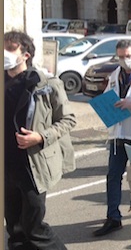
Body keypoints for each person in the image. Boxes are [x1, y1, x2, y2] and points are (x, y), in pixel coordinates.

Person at [4, 30, 76, 250]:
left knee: (34, 227)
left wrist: (40, 137)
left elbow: (68, 120)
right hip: (7, 167)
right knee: (14, 229)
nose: (4, 53)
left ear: (25, 54)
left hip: (32, 166)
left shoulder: (46, 84)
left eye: (10, 48)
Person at [93, 40, 131, 236]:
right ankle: (113, 217)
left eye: (127, 56)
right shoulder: (115, 75)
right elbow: (108, 95)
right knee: (113, 175)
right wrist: (108, 105)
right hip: (118, 134)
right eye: (120, 56)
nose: (124, 60)